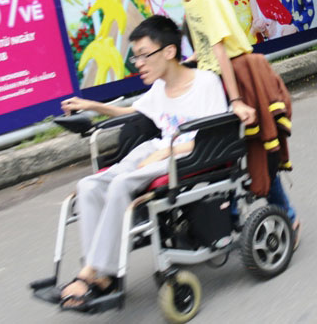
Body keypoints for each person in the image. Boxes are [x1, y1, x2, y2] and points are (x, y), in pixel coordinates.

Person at [57, 15, 227, 310]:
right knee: (88, 185)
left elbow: (212, 136)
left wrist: (164, 153)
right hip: (158, 149)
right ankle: (103, 274)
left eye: (144, 55)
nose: (138, 63)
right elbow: (130, 111)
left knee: (123, 183)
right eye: (135, 57)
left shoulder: (206, 83)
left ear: (169, 52)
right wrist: (91, 106)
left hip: (187, 155)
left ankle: (90, 272)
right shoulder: (159, 88)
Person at [153, 0, 301, 246]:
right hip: (217, 81)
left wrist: (234, 100)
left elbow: (221, 51)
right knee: (225, 156)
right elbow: (207, 47)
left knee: (254, 150)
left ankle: (285, 215)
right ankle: (230, 218)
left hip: (238, 78)